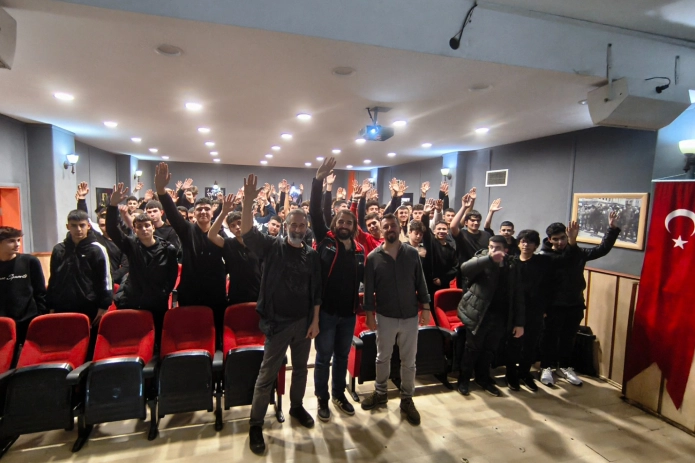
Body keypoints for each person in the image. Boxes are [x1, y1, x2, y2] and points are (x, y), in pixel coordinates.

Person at [239, 174, 322, 456]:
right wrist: (248, 201)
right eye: (293, 224)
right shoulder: (272, 247)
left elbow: (316, 292)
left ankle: (296, 406)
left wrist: (315, 321)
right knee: (267, 376)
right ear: (286, 226)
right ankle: (255, 424)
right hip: (277, 324)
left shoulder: (311, 255)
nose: (298, 229)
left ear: (306, 228)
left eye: (302, 225)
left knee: (300, 370)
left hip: (303, 324)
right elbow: (247, 232)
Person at [361, 213, 431, 426]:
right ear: (381, 230)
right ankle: (380, 392)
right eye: (386, 226)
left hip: (410, 316)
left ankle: (407, 399)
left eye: (393, 226)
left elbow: (421, 282)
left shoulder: (412, 254)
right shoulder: (373, 257)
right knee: (382, 358)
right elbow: (369, 291)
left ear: (399, 228)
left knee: (409, 361)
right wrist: (369, 315)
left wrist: (426, 308)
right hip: (385, 315)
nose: (390, 229)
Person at [311, 158, 365, 422]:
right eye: (340, 221)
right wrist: (318, 181)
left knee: (342, 356)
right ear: (334, 224)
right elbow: (314, 212)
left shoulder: (359, 250)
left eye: (348, 223)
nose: (344, 225)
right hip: (326, 313)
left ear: (353, 227)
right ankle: (322, 397)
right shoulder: (325, 240)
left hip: (348, 314)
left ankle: (338, 394)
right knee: (323, 358)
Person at [539, 213, 620, 386]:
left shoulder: (577, 252)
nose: (560, 242)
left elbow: (602, 249)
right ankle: (546, 367)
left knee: (569, 338)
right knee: (550, 338)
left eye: (563, 238)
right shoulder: (544, 257)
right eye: (556, 239)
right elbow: (562, 262)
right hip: (553, 305)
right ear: (549, 239)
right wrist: (542, 308)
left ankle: (565, 367)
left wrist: (612, 229)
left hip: (574, 303)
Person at [154, 163, 226, 340]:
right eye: (199, 209)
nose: (203, 212)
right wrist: (161, 190)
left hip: (215, 292)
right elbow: (172, 213)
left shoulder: (221, 233)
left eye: (207, 209)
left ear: (213, 212)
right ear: (194, 214)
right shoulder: (187, 230)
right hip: (190, 290)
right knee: (191, 332)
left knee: (214, 334)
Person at [505, 227, 579, 392]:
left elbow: (554, 281)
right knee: (514, 345)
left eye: (530, 242)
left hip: (536, 310)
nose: (526, 245)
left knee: (531, 344)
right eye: (523, 242)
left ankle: (525, 373)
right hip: (515, 311)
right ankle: (511, 374)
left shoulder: (543, 262)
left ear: (536, 245)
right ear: (518, 244)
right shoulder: (511, 263)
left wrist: (572, 241)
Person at [106, 184, 178, 348]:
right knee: (135, 338)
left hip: (157, 301)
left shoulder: (168, 249)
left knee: (157, 340)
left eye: (147, 226)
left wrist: (163, 292)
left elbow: (172, 275)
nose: (144, 229)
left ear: (153, 227)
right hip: (134, 299)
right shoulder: (131, 245)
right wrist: (112, 205)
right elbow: (112, 229)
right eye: (139, 227)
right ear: (135, 229)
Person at [456, 235, 525, 397]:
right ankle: (464, 379)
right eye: (491, 247)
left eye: (497, 248)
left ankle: (482, 378)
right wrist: (488, 258)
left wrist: (519, 322)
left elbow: (518, 294)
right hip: (478, 312)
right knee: (472, 349)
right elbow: (464, 269)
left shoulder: (511, 264)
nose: (494, 250)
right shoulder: (482, 257)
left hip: (500, 315)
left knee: (489, 349)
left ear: (505, 250)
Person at [46, 209, 112, 333]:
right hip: (62, 306)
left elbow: (105, 279)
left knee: (89, 340)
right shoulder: (59, 249)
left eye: (82, 225)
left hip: (89, 306)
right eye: (74, 226)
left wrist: (104, 306)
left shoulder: (97, 249)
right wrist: (51, 305)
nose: (78, 229)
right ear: (68, 227)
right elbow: (53, 279)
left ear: (88, 226)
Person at [207, 198, 261, 305]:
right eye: (233, 225)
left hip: (258, 294)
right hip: (237, 295)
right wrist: (224, 212)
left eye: (239, 223)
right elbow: (211, 235)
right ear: (230, 229)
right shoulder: (228, 243)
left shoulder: (257, 243)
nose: (237, 227)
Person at [0, 227, 47, 346]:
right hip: (3, 323)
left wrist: (41, 316)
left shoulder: (30, 261)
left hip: (29, 319)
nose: (17, 244)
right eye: (11, 241)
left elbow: (40, 291)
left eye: (18, 240)